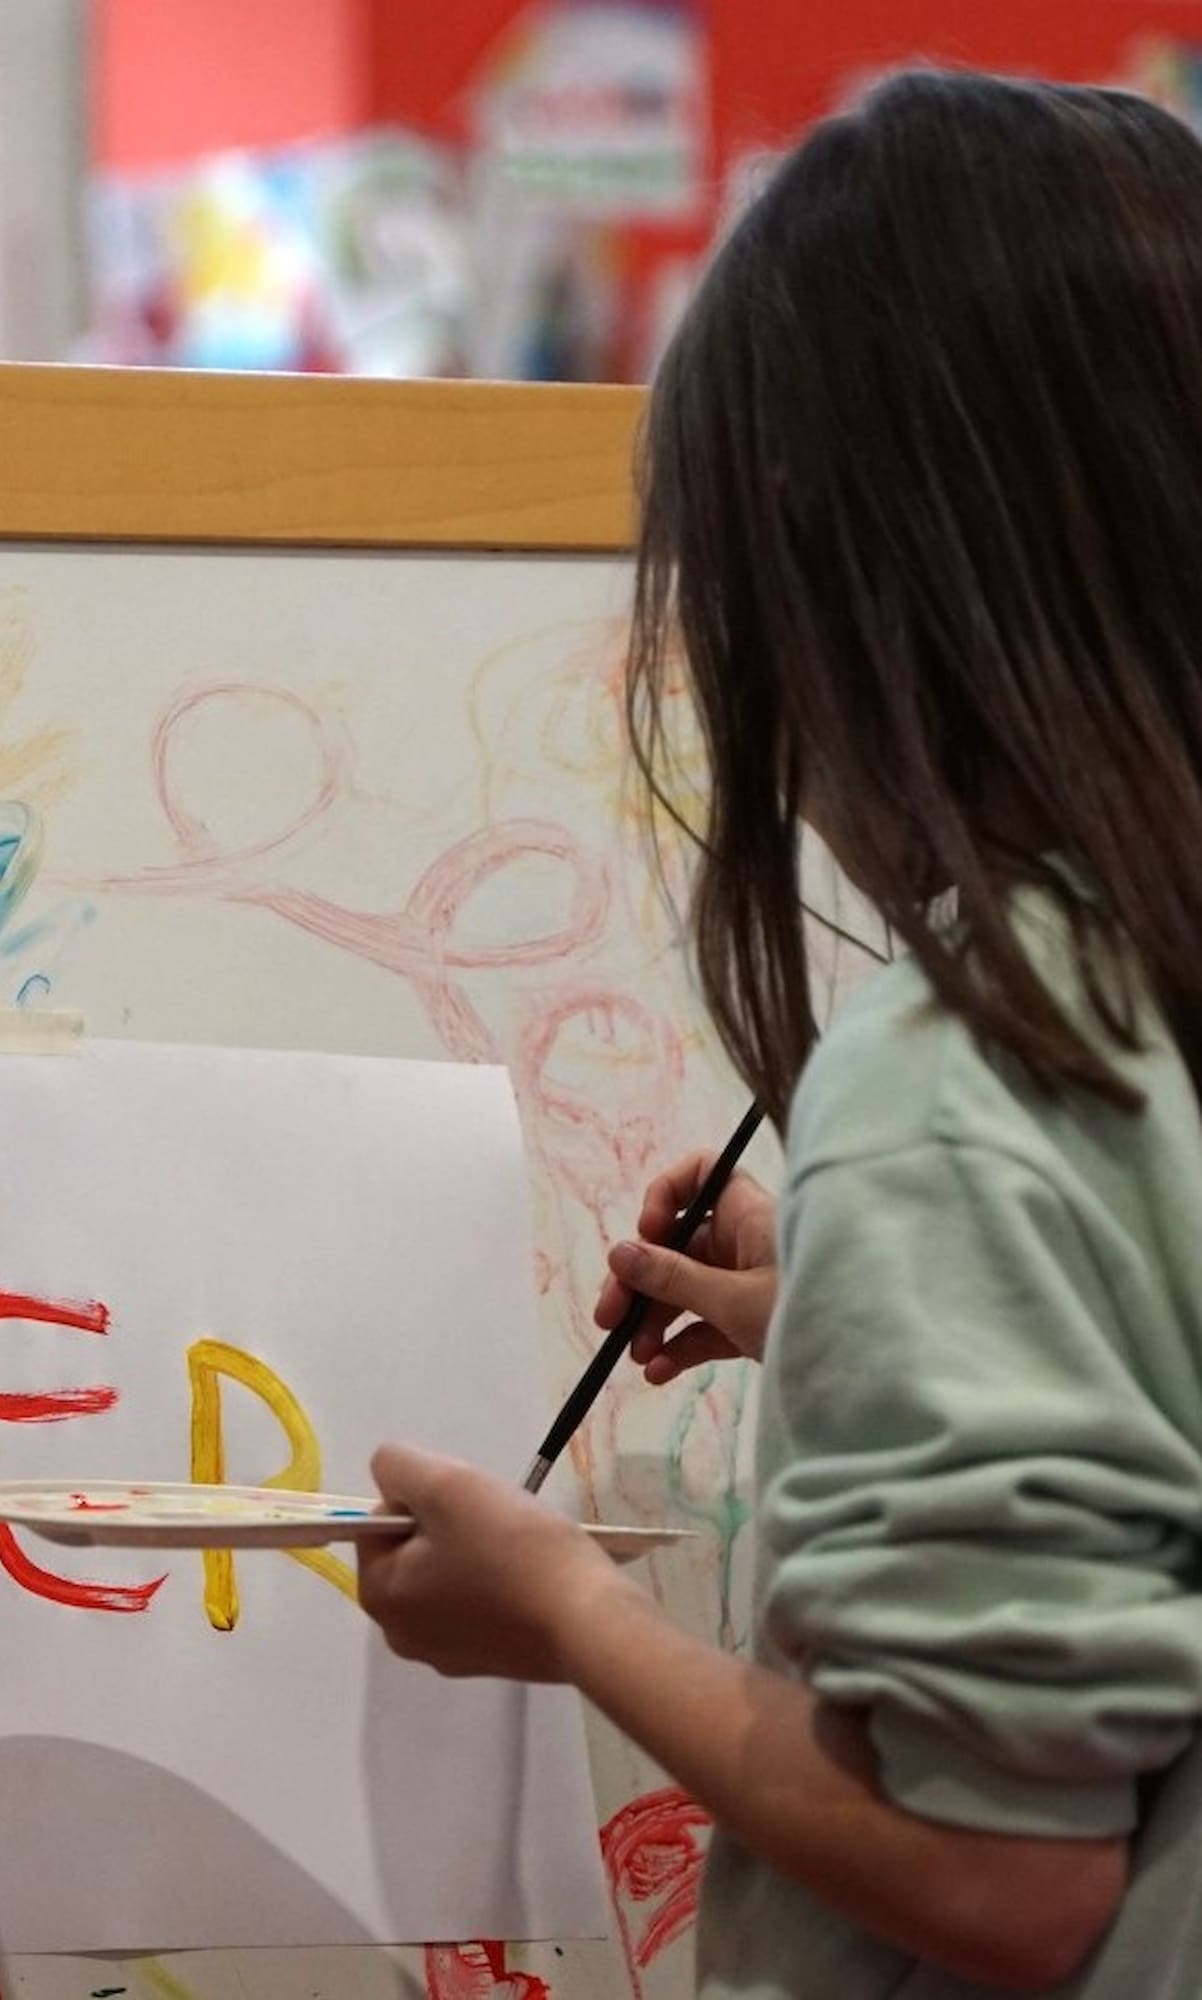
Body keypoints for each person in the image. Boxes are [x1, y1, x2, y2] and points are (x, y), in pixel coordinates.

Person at [357, 70, 1202, 1998]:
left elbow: (998, 1874)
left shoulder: (971, 1062)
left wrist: (563, 1610)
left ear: (831, 599)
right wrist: (849, 1302)